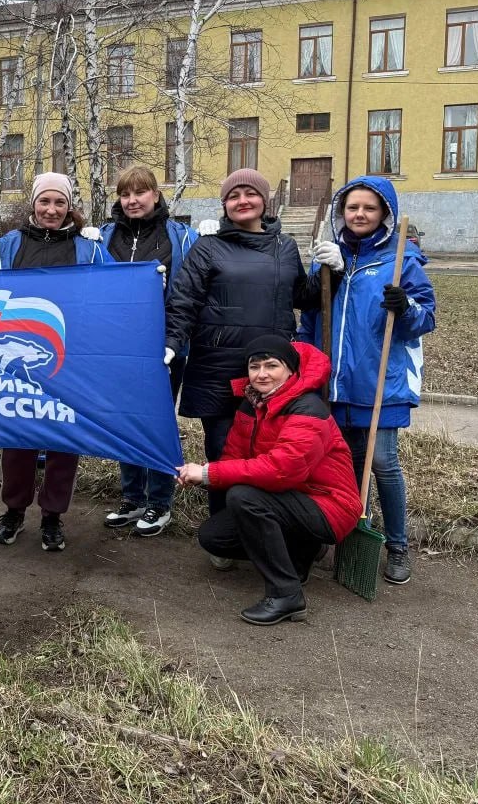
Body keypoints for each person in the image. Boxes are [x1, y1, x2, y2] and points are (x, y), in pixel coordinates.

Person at [163, 168, 331, 569]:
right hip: (220, 369)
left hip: (272, 374)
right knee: (223, 452)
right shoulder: (207, 248)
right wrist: (172, 342)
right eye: (233, 195)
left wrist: (330, 271)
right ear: (224, 204)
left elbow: (305, 298)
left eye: (250, 194)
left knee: (271, 453)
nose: (242, 201)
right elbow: (184, 299)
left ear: (264, 201)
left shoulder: (285, 248)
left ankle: (265, 528)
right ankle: (225, 534)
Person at [297, 175, 436, 586]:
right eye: (352, 207)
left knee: (382, 463)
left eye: (369, 208)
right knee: (342, 465)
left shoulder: (401, 259)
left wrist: (406, 306)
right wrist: (305, 368)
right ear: (343, 212)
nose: (359, 214)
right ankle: (346, 530)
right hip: (334, 383)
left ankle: (397, 546)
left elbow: (425, 318)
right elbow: (310, 317)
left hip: (380, 382)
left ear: (385, 215)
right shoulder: (328, 256)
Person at [176, 336, 361, 626]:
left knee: (243, 497)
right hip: (289, 500)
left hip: (329, 506)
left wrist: (211, 474)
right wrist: (201, 475)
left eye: (272, 365)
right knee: (213, 537)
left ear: (290, 370)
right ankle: (303, 552)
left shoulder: (307, 409)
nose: (262, 374)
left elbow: (282, 470)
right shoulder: (252, 404)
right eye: (254, 366)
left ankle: (287, 595)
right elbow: (233, 456)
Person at [0, 172, 108, 551]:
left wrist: (148, 281)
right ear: (34, 205)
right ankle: (14, 510)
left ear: (70, 207)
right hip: (19, 352)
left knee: (63, 437)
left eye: (60, 203)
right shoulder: (10, 245)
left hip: (69, 356)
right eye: (45, 202)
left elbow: (109, 295)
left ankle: (53, 516)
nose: (52, 210)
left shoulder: (88, 248)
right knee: (18, 437)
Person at [98, 164, 197, 538]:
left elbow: (187, 294)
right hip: (117, 348)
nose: (132, 200)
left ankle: (160, 502)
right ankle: (132, 497)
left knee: (157, 421)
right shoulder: (105, 237)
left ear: (156, 195)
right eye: (125, 194)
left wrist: (176, 340)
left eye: (140, 192)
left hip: (164, 347)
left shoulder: (178, 237)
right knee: (124, 420)